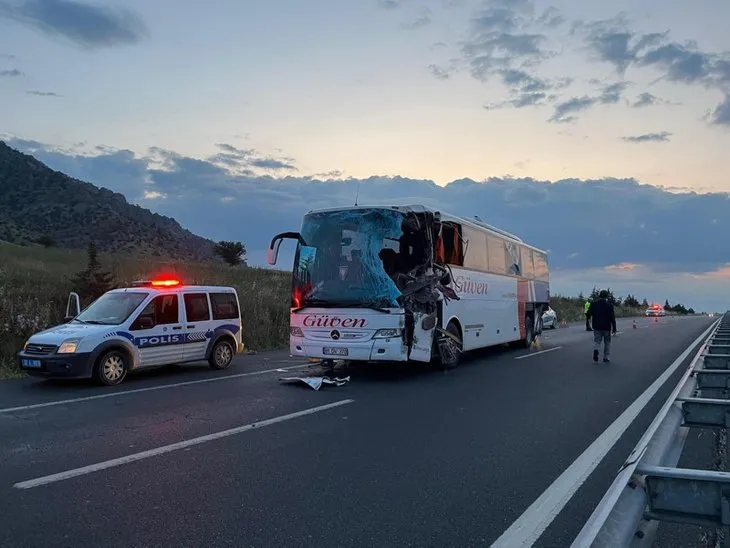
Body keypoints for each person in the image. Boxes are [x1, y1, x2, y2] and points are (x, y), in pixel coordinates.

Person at [586, 290, 617, 363]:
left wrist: (591, 317)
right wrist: (614, 328)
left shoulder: (593, 304)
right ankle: (606, 357)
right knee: (607, 342)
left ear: (599, 295)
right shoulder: (609, 306)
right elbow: (612, 318)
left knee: (597, 341)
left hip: (596, 326)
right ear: (606, 296)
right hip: (606, 327)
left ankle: (596, 350)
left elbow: (588, 314)